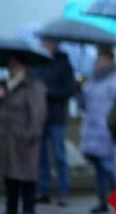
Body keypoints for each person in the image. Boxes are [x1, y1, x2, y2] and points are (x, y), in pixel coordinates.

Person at [0, 52, 47, 214]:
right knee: (11, 189)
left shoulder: (34, 86)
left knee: (27, 188)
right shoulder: (5, 85)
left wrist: (28, 136)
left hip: (23, 145)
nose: (11, 68)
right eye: (9, 65)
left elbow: (38, 116)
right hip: (7, 144)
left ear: (23, 66)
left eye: (15, 65)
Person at [31, 35, 75, 207]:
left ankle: (63, 192)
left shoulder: (64, 65)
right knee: (41, 156)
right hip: (41, 117)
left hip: (56, 116)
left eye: (46, 42)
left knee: (59, 156)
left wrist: (48, 92)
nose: (44, 44)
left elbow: (68, 90)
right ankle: (43, 190)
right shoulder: (39, 64)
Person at [78, 45, 116, 214]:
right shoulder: (93, 80)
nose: (96, 62)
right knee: (99, 170)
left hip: (106, 131)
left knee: (108, 168)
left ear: (108, 60)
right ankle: (102, 201)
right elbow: (84, 104)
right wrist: (78, 91)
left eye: (99, 58)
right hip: (92, 130)